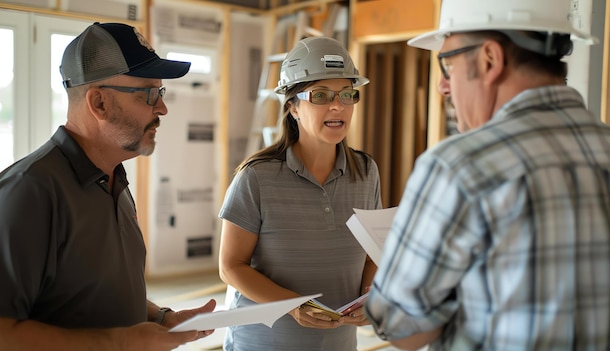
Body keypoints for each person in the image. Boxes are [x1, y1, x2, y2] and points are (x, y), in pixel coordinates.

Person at [365, 0, 609, 349]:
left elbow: (398, 324)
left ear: (489, 60)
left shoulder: (459, 167)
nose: (443, 87)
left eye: (447, 66)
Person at [0, 22, 217, 350]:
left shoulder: (114, 181)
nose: (162, 108)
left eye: (161, 94)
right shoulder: (29, 193)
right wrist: (118, 343)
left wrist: (162, 318)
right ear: (100, 104)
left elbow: (93, 294)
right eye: (149, 94)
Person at [218, 36, 382, 351]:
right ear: (293, 107)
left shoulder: (366, 172)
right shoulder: (256, 177)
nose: (338, 106)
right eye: (320, 95)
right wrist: (292, 305)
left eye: (347, 94)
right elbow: (231, 266)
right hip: (263, 343)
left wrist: (371, 292)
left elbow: (373, 251)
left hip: (337, 344)